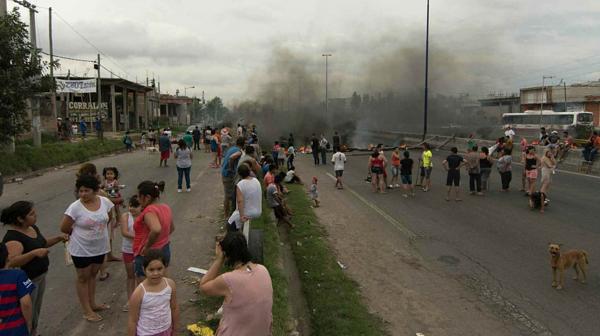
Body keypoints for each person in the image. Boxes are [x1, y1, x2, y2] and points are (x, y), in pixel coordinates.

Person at [2, 201, 68, 335]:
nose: (35, 215)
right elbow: (12, 262)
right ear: (20, 218)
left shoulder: (32, 228)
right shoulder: (13, 238)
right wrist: (33, 254)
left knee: (36, 311)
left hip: (40, 276)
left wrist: (58, 238)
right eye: (31, 214)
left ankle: (34, 331)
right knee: (28, 312)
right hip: (29, 282)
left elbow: (41, 243)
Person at [60, 174, 114, 322]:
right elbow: (64, 227)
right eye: (80, 191)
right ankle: (87, 310)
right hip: (81, 249)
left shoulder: (105, 202)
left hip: (100, 247)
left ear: (95, 190)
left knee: (93, 275)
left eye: (86, 191)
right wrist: (78, 235)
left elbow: (108, 217)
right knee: (83, 277)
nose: (82, 194)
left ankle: (93, 303)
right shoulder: (75, 207)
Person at [199, 232, 273, 336]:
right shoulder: (263, 270)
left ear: (226, 255)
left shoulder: (228, 280)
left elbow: (203, 286)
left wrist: (219, 260)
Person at [128, 249, 179, 336]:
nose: (156, 273)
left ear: (165, 267)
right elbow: (132, 320)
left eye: (159, 269)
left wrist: (176, 330)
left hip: (166, 330)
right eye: (151, 270)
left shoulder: (170, 285)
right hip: (146, 333)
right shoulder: (139, 292)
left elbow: (174, 308)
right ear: (144, 270)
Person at [133, 181, 173, 283]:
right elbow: (171, 228)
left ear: (147, 197)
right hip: (165, 248)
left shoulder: (149, 210)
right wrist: (162, 239)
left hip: (149, 254)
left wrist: (147, 247)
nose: (137, 199)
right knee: (163, 284)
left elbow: (156, 229)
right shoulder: (165, 207)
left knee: (146, 289)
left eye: (139, 196)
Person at [0, 242, 35, 336]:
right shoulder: (18, 275)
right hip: (16, 329)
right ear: (7, 257)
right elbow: (26, 303)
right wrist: (29, 324)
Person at [228, 165, 262, 236]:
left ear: (239, 174)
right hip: (258, 211)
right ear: (249, 171)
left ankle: (236, 240)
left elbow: (240, 201)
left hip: (247, 213)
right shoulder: (256, 180)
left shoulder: (240, 184)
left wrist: (241, 216)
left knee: (230, 224)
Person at [120, 196, 141, 312]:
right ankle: (130, 300)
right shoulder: (125, 216)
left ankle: (140, 299)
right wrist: (140, 236)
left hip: (141, 250)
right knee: (130, 275)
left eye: (135, 206)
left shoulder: (145, 217)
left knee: (140, 275)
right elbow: (124, 232)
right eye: (130, 206)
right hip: (128, 249)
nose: (132, 209)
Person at [222, 137, 245, 217]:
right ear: (243, 144)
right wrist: (231, 169)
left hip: (225, 173)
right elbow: (232, 158)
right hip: (228, 175)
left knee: (228, 195)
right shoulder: (238, 151)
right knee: (229, 196)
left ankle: (227, 214)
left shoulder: (232, 148)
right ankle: (227, 216)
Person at [539, 149, 556, 213]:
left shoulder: (550, 158)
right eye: (548, 152)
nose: (549, 153)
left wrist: (552, 158)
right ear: (545, 153)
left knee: (547, 185)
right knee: (545, 184)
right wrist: (553, 166)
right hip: (545, 171)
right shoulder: (544, 158)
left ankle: (544, 197)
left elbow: (555, 163)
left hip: (549, 172)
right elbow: (550, 165)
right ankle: (542, 197)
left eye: (550, 152)